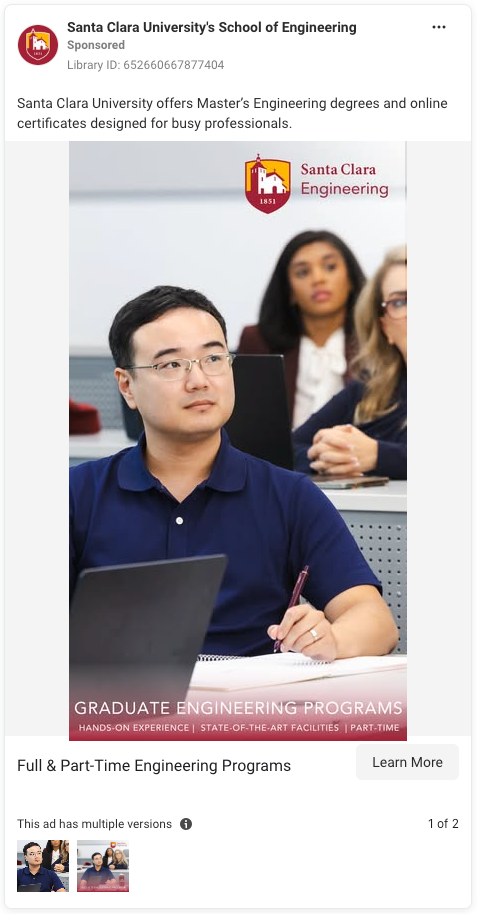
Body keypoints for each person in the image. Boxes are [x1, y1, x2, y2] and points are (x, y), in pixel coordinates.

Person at [70, 285, 398, 660]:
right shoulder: (77, 495)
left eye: (213, 358)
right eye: (171, 364)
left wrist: (331, 640)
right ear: (127, 386)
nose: (199, 381)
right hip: (113, 710)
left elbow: (375, 621)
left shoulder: (288, 496)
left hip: (247, 711)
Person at [293, 246, 407, 480]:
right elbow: (288, 448)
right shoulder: (366, 389)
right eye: (400, 302)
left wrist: (378, 455)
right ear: (385, 327)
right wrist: (329, 458)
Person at [237, 230, 366, 427]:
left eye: (330, 267)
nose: (318, 279)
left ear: (350, 280)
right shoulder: (258, 341)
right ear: (289, 291)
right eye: (303, 272)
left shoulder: (375, 341)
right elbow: (247, 426)